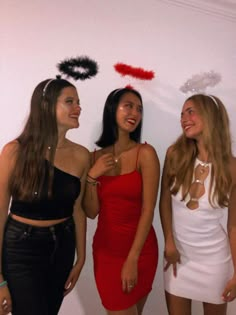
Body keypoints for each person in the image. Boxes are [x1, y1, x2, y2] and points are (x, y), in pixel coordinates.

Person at [0, 78, 90, 315]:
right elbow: (0, 213)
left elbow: (78, 211)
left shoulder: (81, 155)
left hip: (62, 247)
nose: (78, 108)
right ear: (46, 106)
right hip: (21, 250)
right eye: (69, 101)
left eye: (79, 102)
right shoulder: (15, 151)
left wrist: (80, 260)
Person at [83, 87, 160, 315]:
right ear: (112, 109)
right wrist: (91, 176)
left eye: (139, 108)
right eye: (128, 105)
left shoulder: (145, 154)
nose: (135, 112)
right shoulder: (94, 157)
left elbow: (148, 210)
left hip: (141, 250)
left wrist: (132, 259)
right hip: (106, 252)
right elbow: (91, 212)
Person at [159, 94, 236, 315]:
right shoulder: (175, 154)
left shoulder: (232, 167)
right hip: (178, 259)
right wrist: (169, 243)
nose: (184, 118)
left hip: (215, 263)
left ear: (210, 115)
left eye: (190, 111)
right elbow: (164, 201)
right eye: (182, 114)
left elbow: (233, 226)